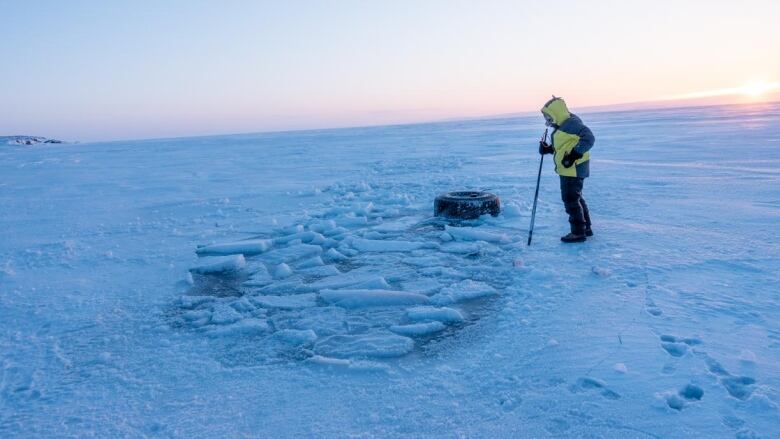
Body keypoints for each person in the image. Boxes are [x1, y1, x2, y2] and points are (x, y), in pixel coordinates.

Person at [538, 96, 595, 243]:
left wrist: (574, 155)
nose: (547, 119)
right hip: (569, 168)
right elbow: (563, 146)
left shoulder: (571, 124)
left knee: (570, 199)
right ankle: (585, 228)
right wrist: (548, 149)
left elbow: (589, 138)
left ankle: (578, 232)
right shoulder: (562, 125)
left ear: (556, 113)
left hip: (573, 168)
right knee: (576, 197)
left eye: (548, 116)